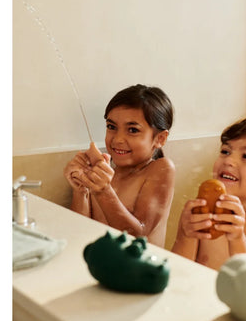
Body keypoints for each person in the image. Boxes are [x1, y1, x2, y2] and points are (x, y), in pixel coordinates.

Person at [171, 112, 246, 272]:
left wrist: (238, 239)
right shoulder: (201, 214)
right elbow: (177, 273)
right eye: (225, 151)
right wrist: (186, 235)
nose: (228, 160)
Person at [64, 84, 175, 247]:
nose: (117, 139)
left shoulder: (161, 169)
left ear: (160, 139)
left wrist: (104, 191)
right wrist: (81, 190)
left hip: (140, 263)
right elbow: (79, 232)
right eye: (112, 127)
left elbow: (138, 236)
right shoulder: (104, 173)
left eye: (133, 130)